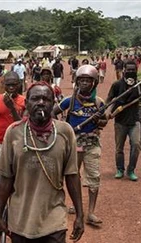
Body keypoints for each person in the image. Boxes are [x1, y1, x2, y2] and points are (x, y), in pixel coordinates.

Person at [0, 82, 85, 243]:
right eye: (35, 99)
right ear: (27, 104)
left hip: (53, 216)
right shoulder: (14, 133)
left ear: (54, 103)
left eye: (46, 99)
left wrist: (80, 216)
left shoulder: (65, 132)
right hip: (22, 220)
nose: (41, 103)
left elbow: (73, 175)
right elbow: (4, 179)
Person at [53, 65, 105, 227]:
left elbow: (104, 121)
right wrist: (62, 127)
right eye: (81, 80)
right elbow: (53, 112)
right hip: (75, 143)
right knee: (73, 174)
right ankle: (75, 206)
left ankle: (90, 212)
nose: (84, 83)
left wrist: (99, 121)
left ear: (94, 83)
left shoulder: (98, 102)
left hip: (92, 143)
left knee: (94, 176)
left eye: (88, 81)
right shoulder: (70, 100)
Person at [0, 72, 26, 236]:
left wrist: (12, 108)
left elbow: (22, 126)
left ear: (19, 84)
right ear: (3, 85)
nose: (11, 88)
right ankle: (0, 218)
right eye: (8, 85)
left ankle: (16, 220)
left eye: (14, 84)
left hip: (17, 148)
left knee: (18, 187)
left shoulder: (24, 102)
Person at [105, 60, 141, 181]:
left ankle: (131, 170)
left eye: (133, 70)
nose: (131, 72)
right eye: (129, 70)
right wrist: (107, 111)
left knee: (136, 145)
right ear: (124, 70)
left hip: (134, 121)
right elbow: (109, 99)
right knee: (119, 147)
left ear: (136, 71)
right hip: (120, 121)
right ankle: (120, 169)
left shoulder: (139, 86)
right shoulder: (117, 85)